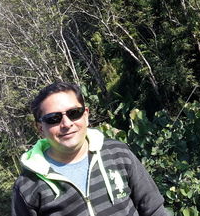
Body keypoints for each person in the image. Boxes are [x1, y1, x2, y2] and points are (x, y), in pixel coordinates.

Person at [11, 82, 168, 216]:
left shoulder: (118, 153)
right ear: (40, 128)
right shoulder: (27, 186)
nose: (66, 124)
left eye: (74, 113)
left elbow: (154, 209)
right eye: (53, 118)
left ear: (85, 115)